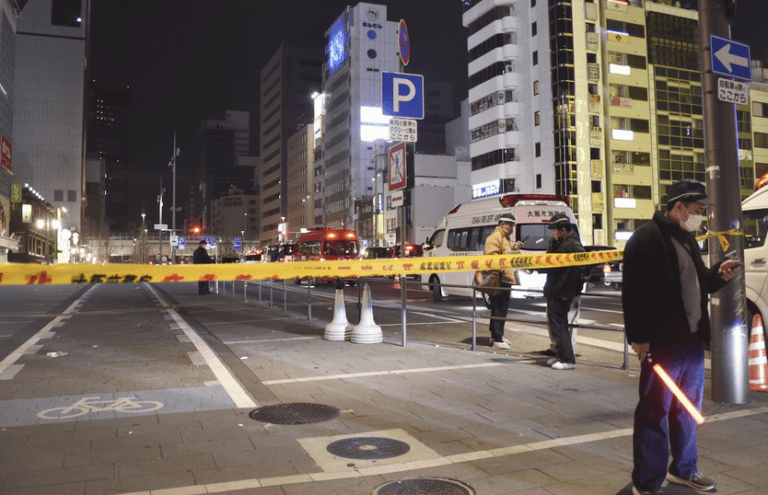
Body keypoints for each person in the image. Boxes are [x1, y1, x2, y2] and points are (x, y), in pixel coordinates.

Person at [622, 179, 740, 495]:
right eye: (697, 209)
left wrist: (719, 275)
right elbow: (633, 293)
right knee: (654, 411)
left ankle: (683, 469)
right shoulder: (645, 239)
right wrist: (639, 337)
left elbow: (698, 283)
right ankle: (647, 483)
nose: (700, 215)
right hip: (662, 343)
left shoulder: (686, 239)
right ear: (679, 207)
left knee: (687, 408)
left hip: (691, 341)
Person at [542, 212, 584, 370]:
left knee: (560, 325)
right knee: (557, 325)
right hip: (556, 290)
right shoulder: (559, 243)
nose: (553, 233)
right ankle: (561, 356)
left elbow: (553, 265)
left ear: (563, 230)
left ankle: (568, 360)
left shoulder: (569, 246)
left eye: (555, 230)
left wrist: (575, 292)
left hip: (562, 292)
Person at [483, 215, 524, 350]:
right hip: (499, 278)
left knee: (501, 308)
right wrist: (506, 263)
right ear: (503, 224)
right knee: (498, 308)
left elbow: (504, 254)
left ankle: (497, 335)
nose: (512, 228)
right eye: (510, 225)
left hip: (505, 277)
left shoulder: (504, 237)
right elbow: (492, 257)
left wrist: (514, 248)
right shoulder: (495, 237)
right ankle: (497, 338)